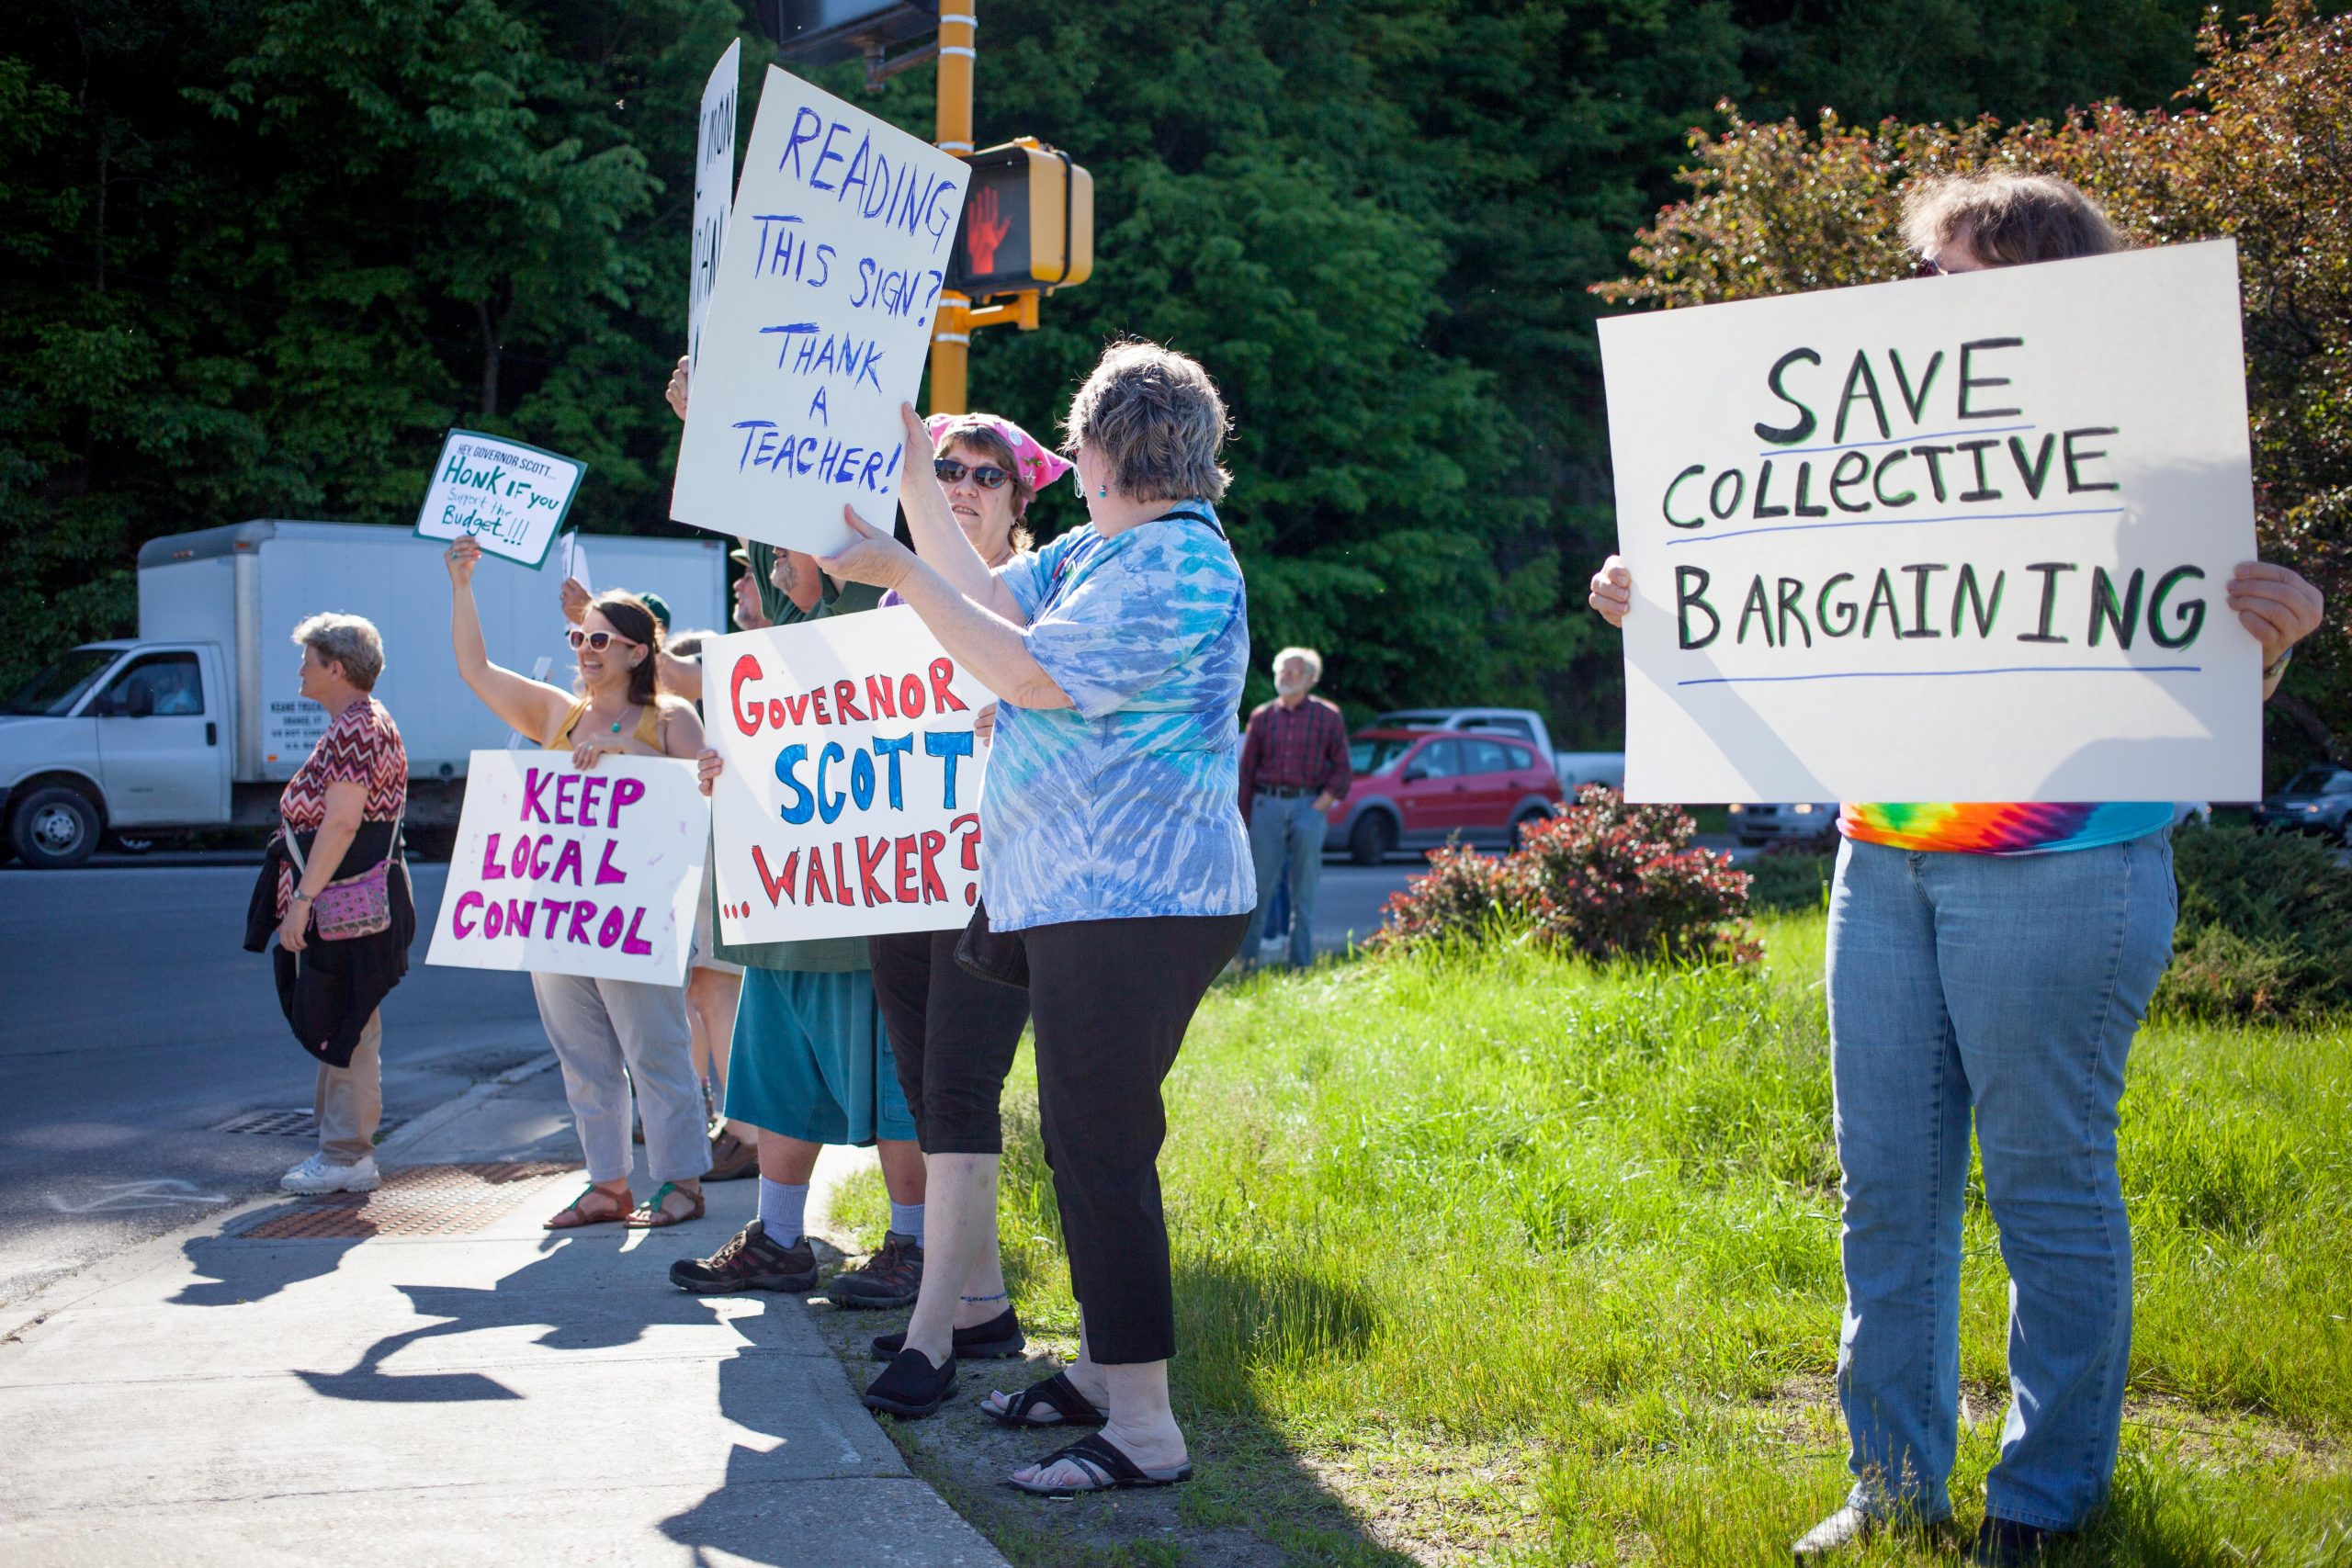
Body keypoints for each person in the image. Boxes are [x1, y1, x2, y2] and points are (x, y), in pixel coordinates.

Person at [1585, 172, 2326, 1567]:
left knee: (2049, 1188)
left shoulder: (2146, 456)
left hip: (2070, 867)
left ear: (2045, 292)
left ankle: (2044, 1500)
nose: (1916, 302)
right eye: (1918, 275)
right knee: (1890, 1188)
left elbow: (2184, 651)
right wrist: (1660, 593)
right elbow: (1786, 601)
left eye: (1950, 275)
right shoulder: (1861, 446)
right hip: (1886, 863)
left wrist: (2271, 632)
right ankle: (1893, 1484)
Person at [814, 340, 1255, 1495]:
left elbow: (1022, 673)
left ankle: (1146, 1428)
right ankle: (1106, 1379)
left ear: (1103, 448)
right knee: (1079, 1136)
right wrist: (914, 469)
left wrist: (901, 575)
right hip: (1082, 897)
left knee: (1103, 1146)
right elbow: (981, 589)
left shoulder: (1179, 569)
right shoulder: (1108, 548)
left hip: (1140, 900)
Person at [657, 354, 933, 1309]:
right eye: (761, 569)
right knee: (771, 1083)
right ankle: (779, 1239)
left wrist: (719, 432)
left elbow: (798, 555)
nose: (766, 576)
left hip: (867, 905)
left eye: (777, 560)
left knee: (897, 1082)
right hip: (786, 899)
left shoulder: (874, 599)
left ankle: (913, 1246)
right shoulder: (777, 631)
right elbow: (763, 565)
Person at [854, 412, 1071, 1418]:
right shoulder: (881, 616)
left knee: (956, 1089)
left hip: (1001, 880)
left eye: (989, 474)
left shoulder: (1044, 597)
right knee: (922, 1084)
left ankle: (931, 1337)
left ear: (1018, 504)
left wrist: (1016, 702)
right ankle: (981, 1305)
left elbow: (1071, 695)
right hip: (896, 877)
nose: (964, 484)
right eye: (943, 467)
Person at [445, 536, 712, 1230]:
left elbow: (705, 787)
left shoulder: (670, 719)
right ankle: (607, 1183)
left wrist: (627, 752)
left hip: (639, 918)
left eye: (600, 637)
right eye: (578, 636)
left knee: (655, 1049)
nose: (585, 648)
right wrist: (462, 584)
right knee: (582, 1056)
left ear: (635, 651)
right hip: (562, 915)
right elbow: (473, 670)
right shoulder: (555, 714)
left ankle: (682, 1181)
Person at [246, 614, 414, 1196]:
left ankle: (346, 1157)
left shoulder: (355, 728)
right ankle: (340, 1150)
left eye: (309, 660)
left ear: (335, 668)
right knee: (344, 1018)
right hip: (360, 900)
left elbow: (341, 821)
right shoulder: (361, 722)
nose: (300, 669)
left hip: (346, 903)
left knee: (347, 1022)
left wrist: (303, 901)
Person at [664, 628, 755, 1182]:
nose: (745, 582)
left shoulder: (713, 703)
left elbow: (670, 674)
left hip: (721, 852)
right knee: (704, 991)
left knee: (716, 993)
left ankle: (746, 1131)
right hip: (708, 852)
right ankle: (729, 1123)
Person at [1238, 646, 1349, 968]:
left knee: (1304, 891)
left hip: (1307, 805)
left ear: (1311, 679)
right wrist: (1245, 819)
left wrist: (1320, 805)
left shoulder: (1327, 716)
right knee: (1257, 891)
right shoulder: (1262, 717)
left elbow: (1342, 769)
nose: (1285, 676)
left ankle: (1300, 965)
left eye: (1293, 671)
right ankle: (1247, 964)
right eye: (1281, 670)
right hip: (1267, 806)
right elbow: (1246, 773)